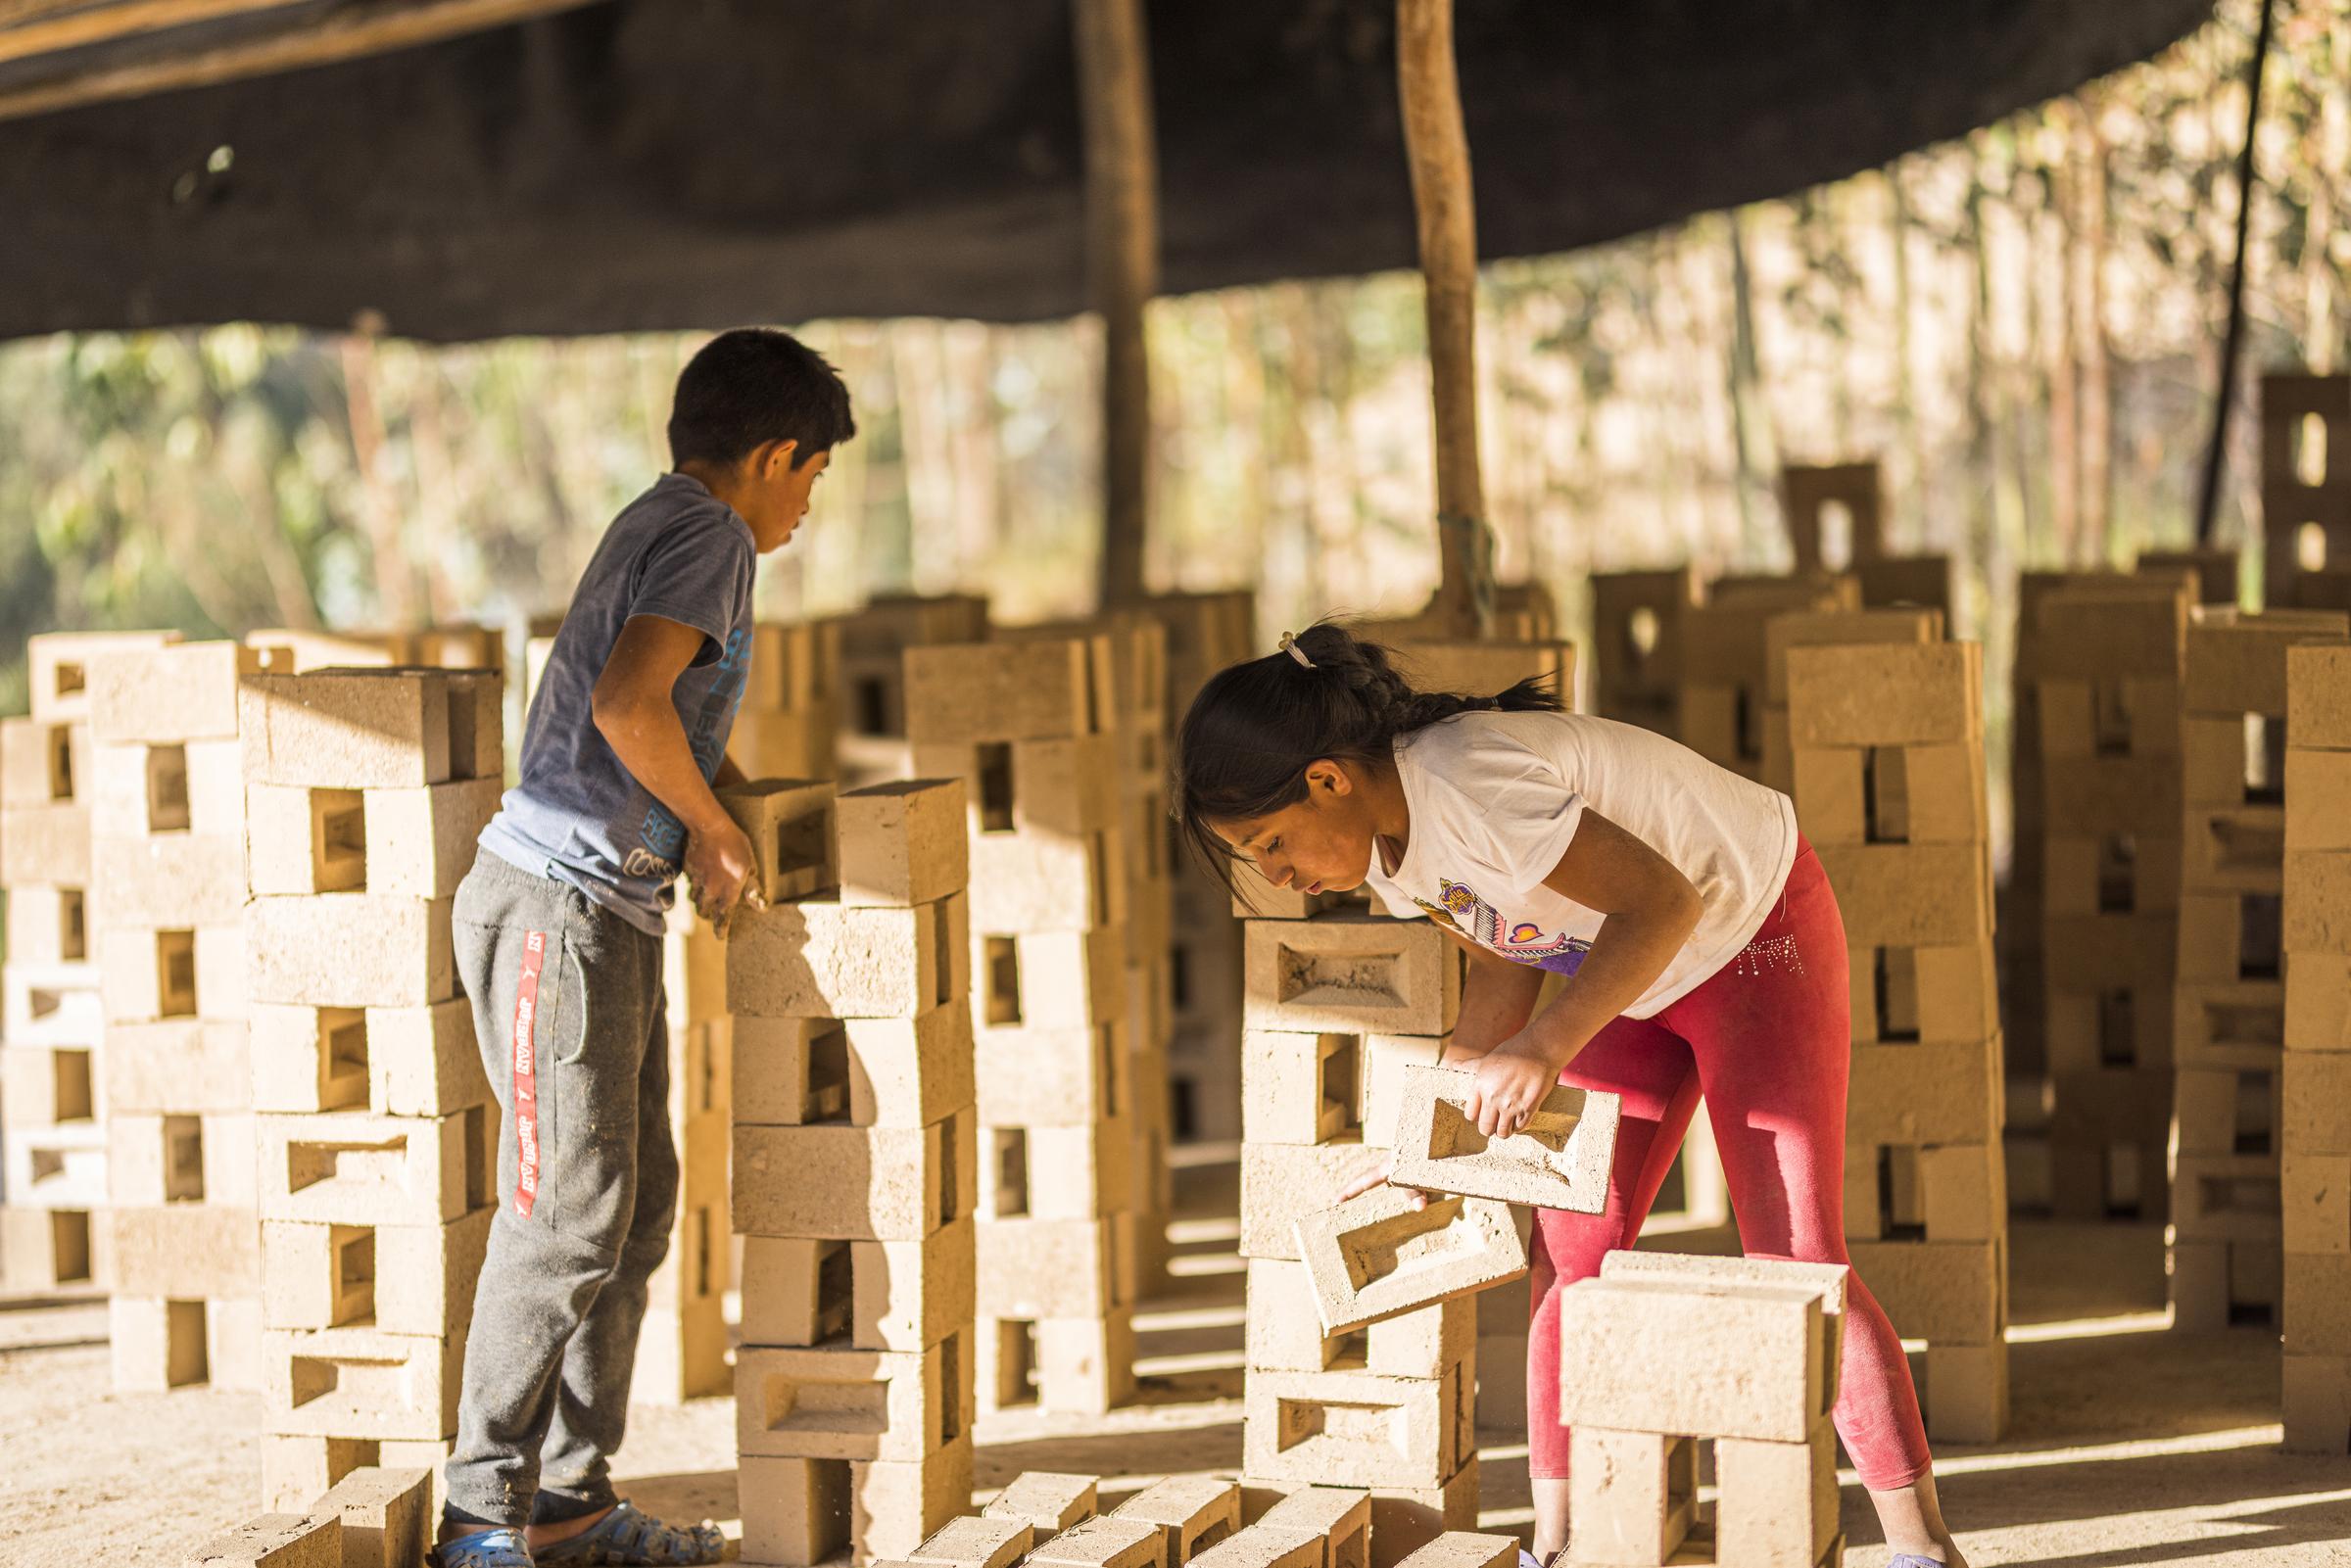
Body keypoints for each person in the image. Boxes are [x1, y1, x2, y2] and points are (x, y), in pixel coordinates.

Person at [1173, 622, 1966, 1568]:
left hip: (1746, 933)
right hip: (1618, 965)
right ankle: (1563, 1539)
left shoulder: (1467, 782)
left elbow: (1666, 904)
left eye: (1270, 842)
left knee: (1796, 1260)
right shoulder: (1388, 852)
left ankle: (1922, 1546)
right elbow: (1504, 954)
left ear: (1328, 780)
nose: (1276, 874)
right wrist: (1425, 1151)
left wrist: (1546, 1044)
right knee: (1573, 1257)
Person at [436, 329, 854, 1568]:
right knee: (566, 1215)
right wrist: (717, 829)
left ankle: (569, 1497)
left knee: (638, 1203)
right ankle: (478, 1515)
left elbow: (652, 712)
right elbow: (624, 704)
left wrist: (729, 798)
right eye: (813, 477)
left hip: (604, 914)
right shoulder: (714, 536)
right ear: (773, 453)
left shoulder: (664, 517)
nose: (805, 510)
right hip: (557, 909)